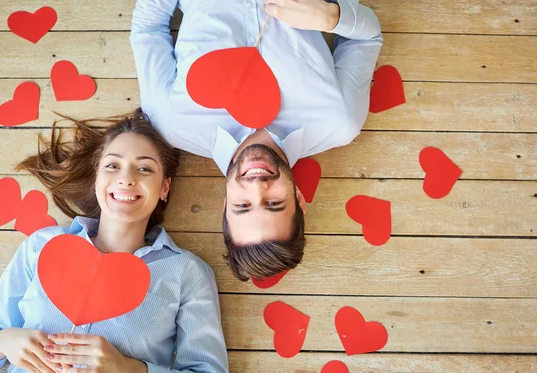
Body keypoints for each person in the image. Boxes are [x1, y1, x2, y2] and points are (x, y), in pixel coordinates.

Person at [130, 0, 383, 281]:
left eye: (243, 206)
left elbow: (148, 29)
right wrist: (331, 16)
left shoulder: (171, 123)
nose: (257, 186)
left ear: (225, 205)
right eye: (274, 203)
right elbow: (367, 36)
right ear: (299, 199)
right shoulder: (340, 121)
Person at [0, 109, 230, 373]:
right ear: (96, 177)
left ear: (164, 187)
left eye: (145, 169)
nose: (126, 179)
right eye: (113, 166)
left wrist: (129, 370)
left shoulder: (187, 273)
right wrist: (0, 342)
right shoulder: (40, 247)